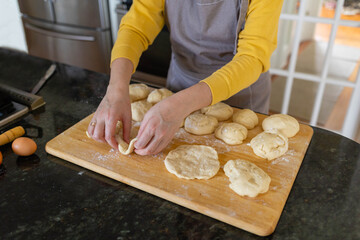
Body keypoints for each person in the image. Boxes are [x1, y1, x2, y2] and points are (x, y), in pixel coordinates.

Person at [87, 0, 284, 155]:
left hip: (240, 94)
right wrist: (116, 89)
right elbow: (136, 27)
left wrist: (180, 105)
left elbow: (252, 57)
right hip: (181, 82)